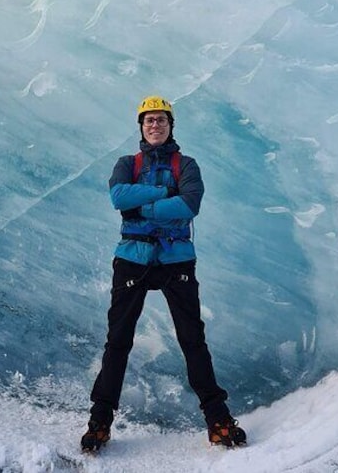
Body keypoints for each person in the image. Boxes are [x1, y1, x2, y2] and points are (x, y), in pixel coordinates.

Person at [81, 95, 246, 452]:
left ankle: (218, 418)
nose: (155, 125)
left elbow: (189, 204)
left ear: (171, 125)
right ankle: (100, 421)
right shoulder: (127, 163)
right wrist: (162, 194)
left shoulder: (187, 165)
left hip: (176, 260)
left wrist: (143, 208)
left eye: (161, 120)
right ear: (141, 126)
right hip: (132, 259)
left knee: (192, 339)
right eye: (149, 120)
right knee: (118, 340)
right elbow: (118, 197)